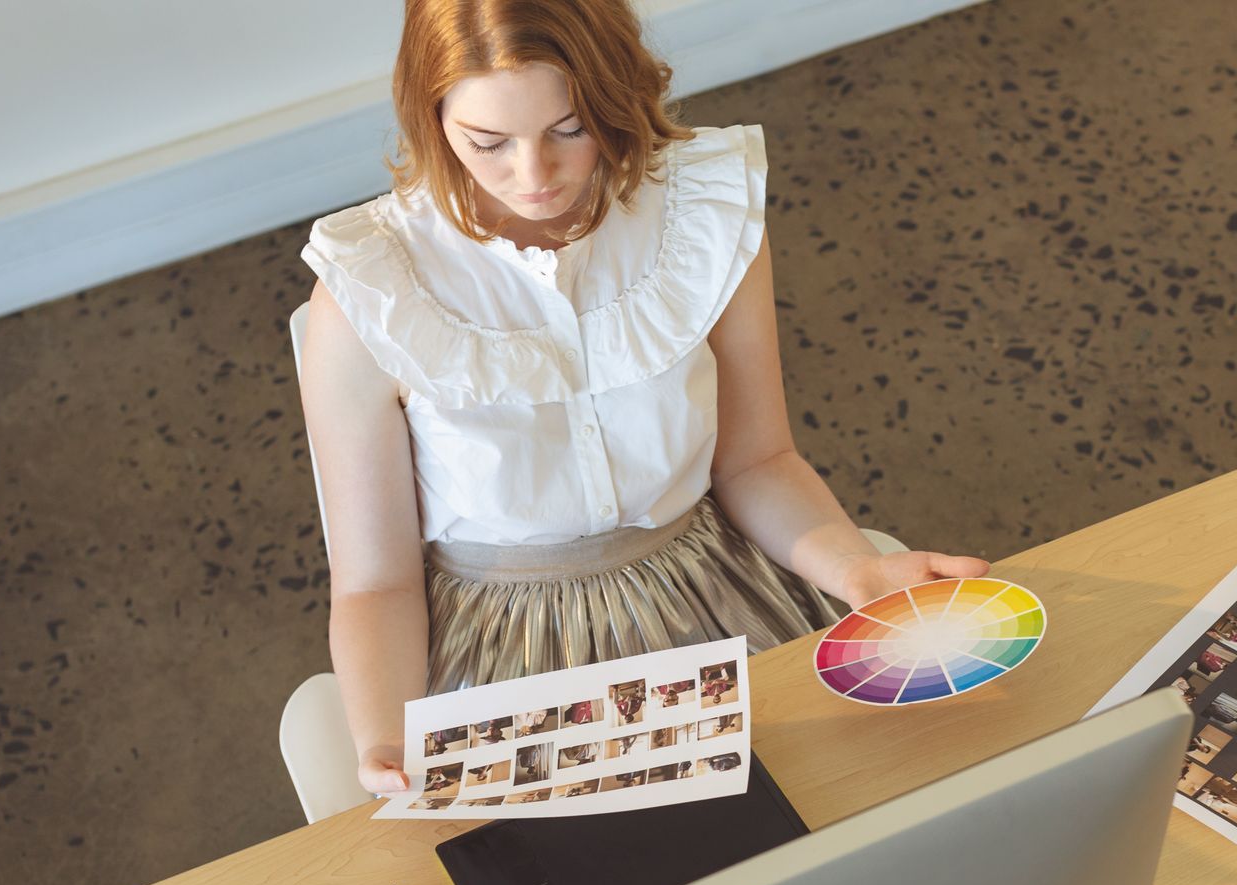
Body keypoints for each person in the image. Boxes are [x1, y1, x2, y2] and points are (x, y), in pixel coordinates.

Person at [299, 0, 988, 795]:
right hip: (501, 649)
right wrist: (387, 737)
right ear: (432, 117)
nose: (535, 176)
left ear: (618, 96)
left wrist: (858, 571)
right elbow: (373, 583)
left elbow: (758, 461)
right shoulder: (368, 289)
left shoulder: (700, 215)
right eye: (487, 143)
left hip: (708, 583)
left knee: (842, 809)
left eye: (569, 129)